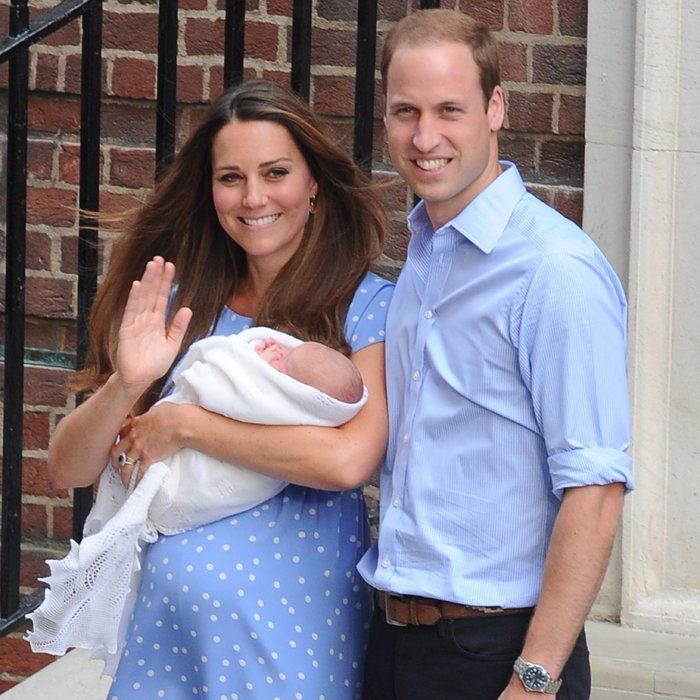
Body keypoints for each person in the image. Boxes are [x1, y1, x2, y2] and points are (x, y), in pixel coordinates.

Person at [46, 79, 393, 698]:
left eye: (276, 172)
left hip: (289, 634)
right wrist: (128, 384)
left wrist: (187, 426)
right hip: (167, 637)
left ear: (313, 183)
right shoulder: (186, 309)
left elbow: (347, 462)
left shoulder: (365, 308)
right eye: (230, 177)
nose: (253, 197)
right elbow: (68, 466)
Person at [357, 10, 634, 699]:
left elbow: (595, 490)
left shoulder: (553, 269)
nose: (425, 138)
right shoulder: (424, 252)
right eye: (405, 112)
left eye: (450, 109)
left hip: (498, 655)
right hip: (395, 642)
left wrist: (534, 680)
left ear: (495, 109)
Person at [255, 335, 365, 403]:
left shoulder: (291, 406)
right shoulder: (299, 364)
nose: (281, 352)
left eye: (287, 360)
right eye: (290, 351)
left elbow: (255, 373)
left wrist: (261, 357)